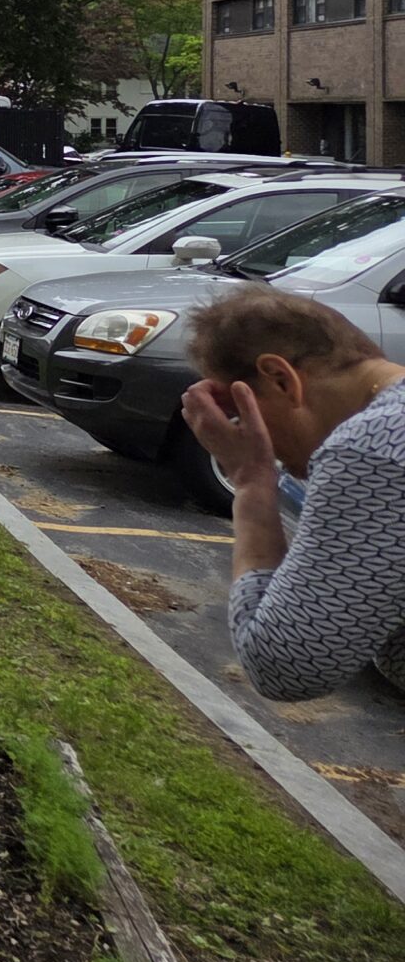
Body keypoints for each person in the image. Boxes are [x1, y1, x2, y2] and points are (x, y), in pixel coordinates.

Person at [180, 290, 405, 700]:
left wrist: (250, 481)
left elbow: (286, 666)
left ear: (281, 379)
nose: (246, 432)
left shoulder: (372, 446)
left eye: (241, 414)